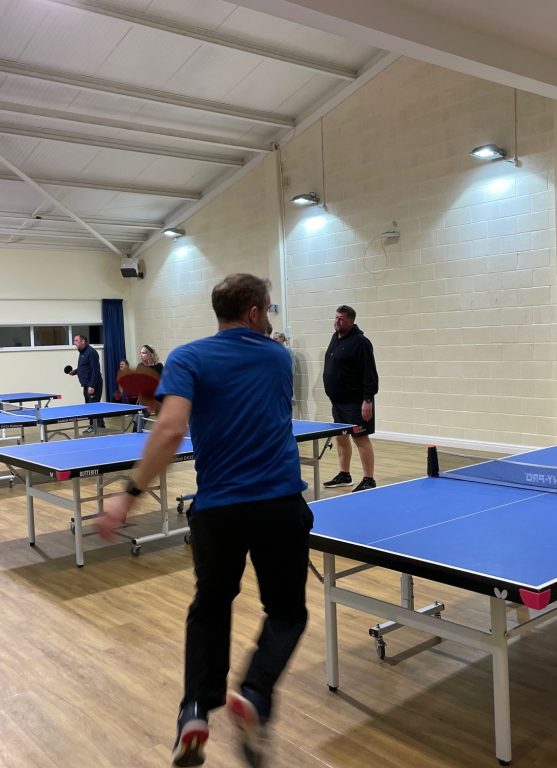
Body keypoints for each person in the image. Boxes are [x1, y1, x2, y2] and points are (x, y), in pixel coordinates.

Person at [99, 274, 311, 768]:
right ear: (256, 312)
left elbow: (173, 426)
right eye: (269, 310)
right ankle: (255, 694)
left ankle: (195, 710)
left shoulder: (189, 358)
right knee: (286, 612)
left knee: (211, 606)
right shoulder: (278, 358)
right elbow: (249, 408)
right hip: (278, 504)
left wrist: (127, 498)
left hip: (218, 509)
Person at [322, 304, 379, 493]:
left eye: (341, 319)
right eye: (336, 317)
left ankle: (369, 479)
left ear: (351, 321)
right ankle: (344, 474)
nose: (337, 321)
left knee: (360, 438)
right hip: (338, 402)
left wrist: (367, 400)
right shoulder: (335, 338)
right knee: (341, 437)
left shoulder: (361, 342)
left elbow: (369, 374)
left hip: (356, 403)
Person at [69, 334, 104, 433]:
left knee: (92, 407)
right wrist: (75, 372)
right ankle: (99, 426)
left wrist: (92, 385)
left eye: (76, 340)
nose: (74, 343)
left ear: (83, 341)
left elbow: (95, 370)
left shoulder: (91, 352)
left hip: (93, 385)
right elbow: (84, 367)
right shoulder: (82, 352)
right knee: (91, 406)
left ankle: (94, 427)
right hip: (86, 385)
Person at [137, 344, 164, 415]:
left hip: (158, 397)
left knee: (162, 419)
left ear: (150, 354)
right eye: (140, 353)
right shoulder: (140, 366)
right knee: (139, 421)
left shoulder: (159, 366)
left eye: (143, 353)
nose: (140, 355)